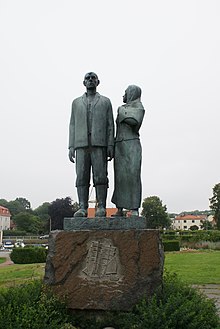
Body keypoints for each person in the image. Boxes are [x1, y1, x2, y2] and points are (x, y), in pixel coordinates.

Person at [69, 72, 114, 217]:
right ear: (84, 83)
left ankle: (101, 206)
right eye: (87, 78)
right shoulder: (76, 102)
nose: (90, 80)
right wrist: (71, 146)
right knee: (81, 176)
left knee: (100, 176)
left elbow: (110, 125)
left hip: (99, 144)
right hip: (81, 144)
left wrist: (110, 145)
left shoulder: (105, 101)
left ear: (98, 82)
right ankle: (82, 207)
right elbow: (72, 125)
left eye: (92, 78)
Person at [111, 85, 145, 217]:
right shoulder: (122, 108)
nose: (123, 95)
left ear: (131, 93)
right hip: (119, 145)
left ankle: (134, 208)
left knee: (133, 176)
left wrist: (123, 114)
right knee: (119, 178)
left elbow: (135, 121)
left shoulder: (139, 107)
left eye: (125, 93)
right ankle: (119, 208)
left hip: (132, 144)